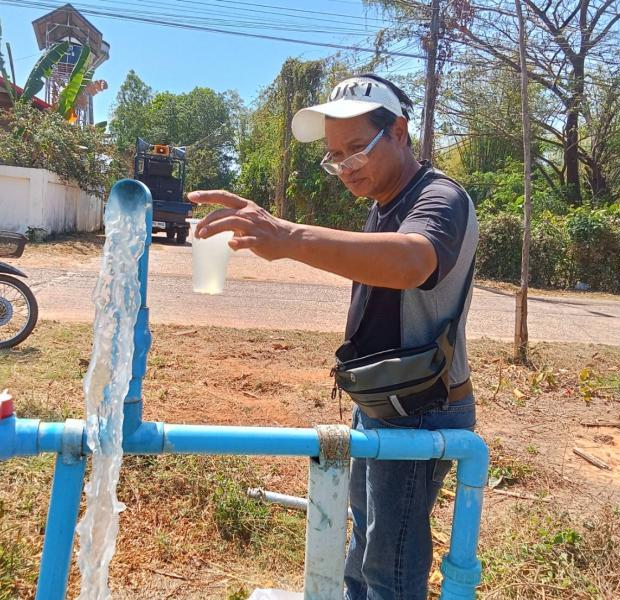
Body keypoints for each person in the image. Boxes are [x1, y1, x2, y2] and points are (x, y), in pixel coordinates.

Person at [189, 73, 477, 600]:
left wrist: (290, 236)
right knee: (365, 538)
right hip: (381, 397)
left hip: (420, 407)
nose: (345, 167)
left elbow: (413, 261)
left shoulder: (439, 197)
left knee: (389, 560)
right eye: (335, 156)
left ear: (399, 132)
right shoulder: (383, 203)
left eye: (356, 150)